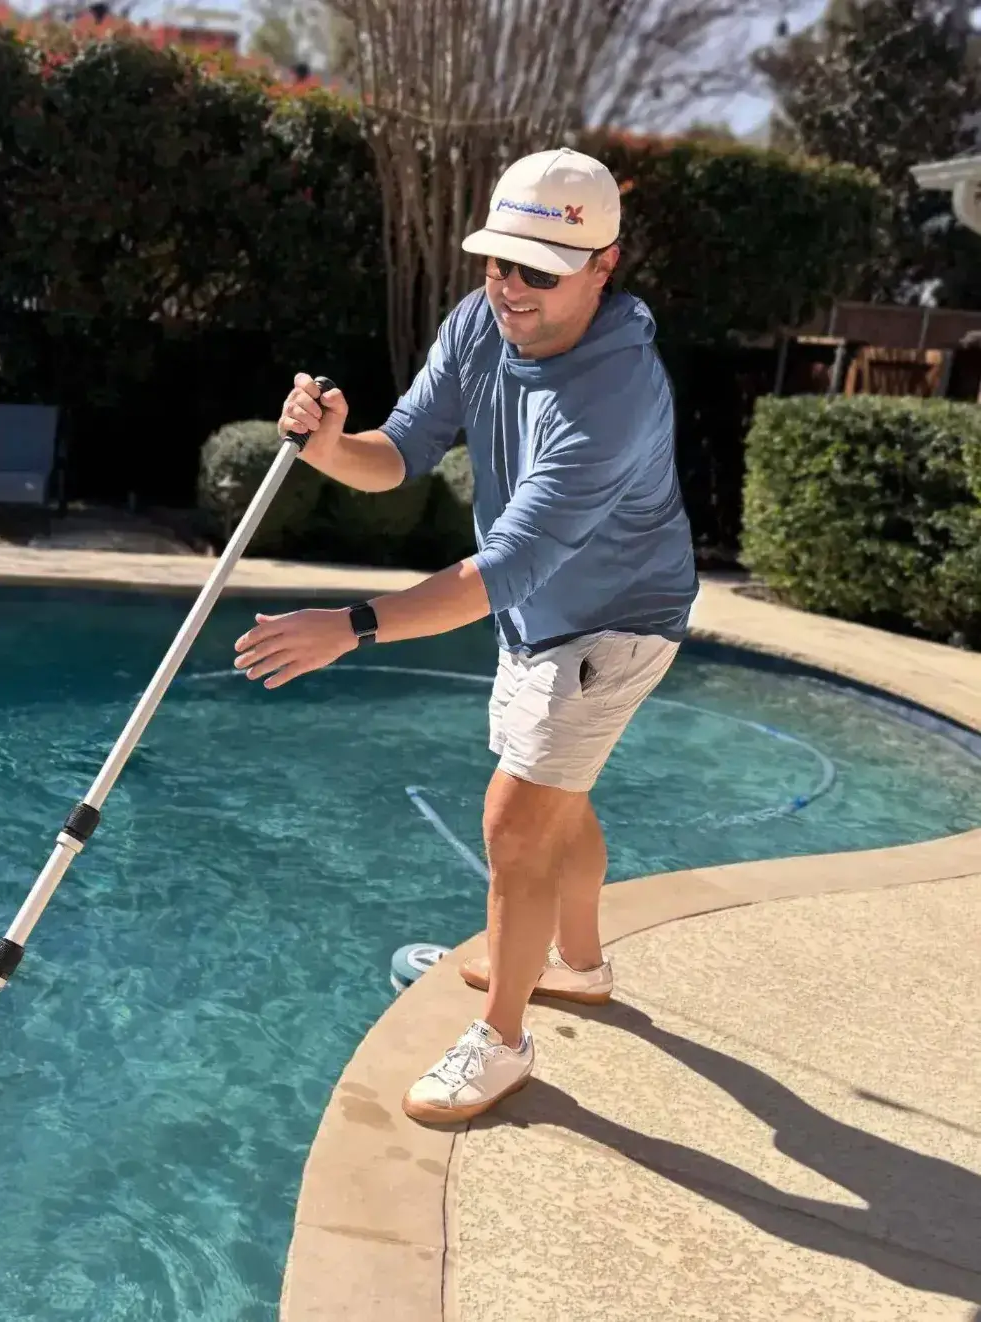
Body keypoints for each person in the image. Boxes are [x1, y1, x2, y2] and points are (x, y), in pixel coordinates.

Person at [233, 146, 698, 1125]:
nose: (511, 287)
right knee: (555, 801)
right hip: (543, 611)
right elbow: (399, 453)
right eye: (497, 261)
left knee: (515, 820)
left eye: (540, 269)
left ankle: (504, 1040)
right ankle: (574, 960)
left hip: (615, 619)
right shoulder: (482, 324)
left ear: (603, 265)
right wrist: (326, 444)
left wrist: (351, 626)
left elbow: (506, 569)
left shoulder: (609, 398)